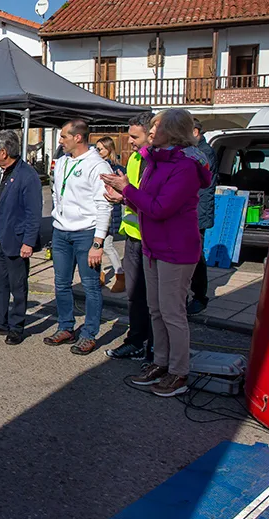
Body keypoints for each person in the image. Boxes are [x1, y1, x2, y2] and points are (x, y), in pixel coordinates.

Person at [102, 109, 211, 397]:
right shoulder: (155, 160)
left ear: (173, 132)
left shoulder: (185, 166)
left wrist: (128, 189)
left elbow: (161, 208)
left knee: (173, 313)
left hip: (176, 248)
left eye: (156, 127)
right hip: (153, 245)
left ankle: (179, 372)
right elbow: (147, 203)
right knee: (156, 309)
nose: (150, 132)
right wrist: (123, 197)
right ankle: (160, 363)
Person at [43, 119, 113, 355]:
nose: (60, 141)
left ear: (78, 137)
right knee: (61, 283)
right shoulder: (62, 162)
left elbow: (104, 205)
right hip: (61, 232)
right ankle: (65, 327)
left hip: (86, 233)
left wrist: (98, 242)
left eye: (64, 136)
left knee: (91, 285)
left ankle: (89, 334)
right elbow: (57, 193)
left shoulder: (98, 165)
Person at [0, 130, 43, 346]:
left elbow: (34, 212)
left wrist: (28, 242)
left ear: (4, 152)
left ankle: (16, 327)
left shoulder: (27, 175)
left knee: (18, 287)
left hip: (17, 241)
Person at [104, 112, 156, 362]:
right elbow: (134, 195)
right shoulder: (135, 158)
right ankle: (135, 341)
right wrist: (121, 194)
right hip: (134, 237)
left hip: (154, 239)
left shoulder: (160, 163)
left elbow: (153, 204)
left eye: (135, 136)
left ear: (151, 134)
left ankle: (155, 348)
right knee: (135, 295)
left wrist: (124, 195)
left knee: (155, 300)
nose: (130, 141)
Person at [187, 118, 218, 316]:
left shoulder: (203, 152)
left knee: (196, 256)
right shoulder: (194, 151)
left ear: (195, 132)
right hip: (193, 210)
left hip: (198, 211)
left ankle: (199, 296)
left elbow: (200, 185)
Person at [95, 136, 126, 293]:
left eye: (100, 149)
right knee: (97, 245)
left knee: (107, 245)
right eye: (96, 149)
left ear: (109, 149)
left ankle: (120, 275)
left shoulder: (115, 168)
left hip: (110, 212)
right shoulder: (95, 165)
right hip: (95, 212)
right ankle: (99, 274)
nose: (98, 152)